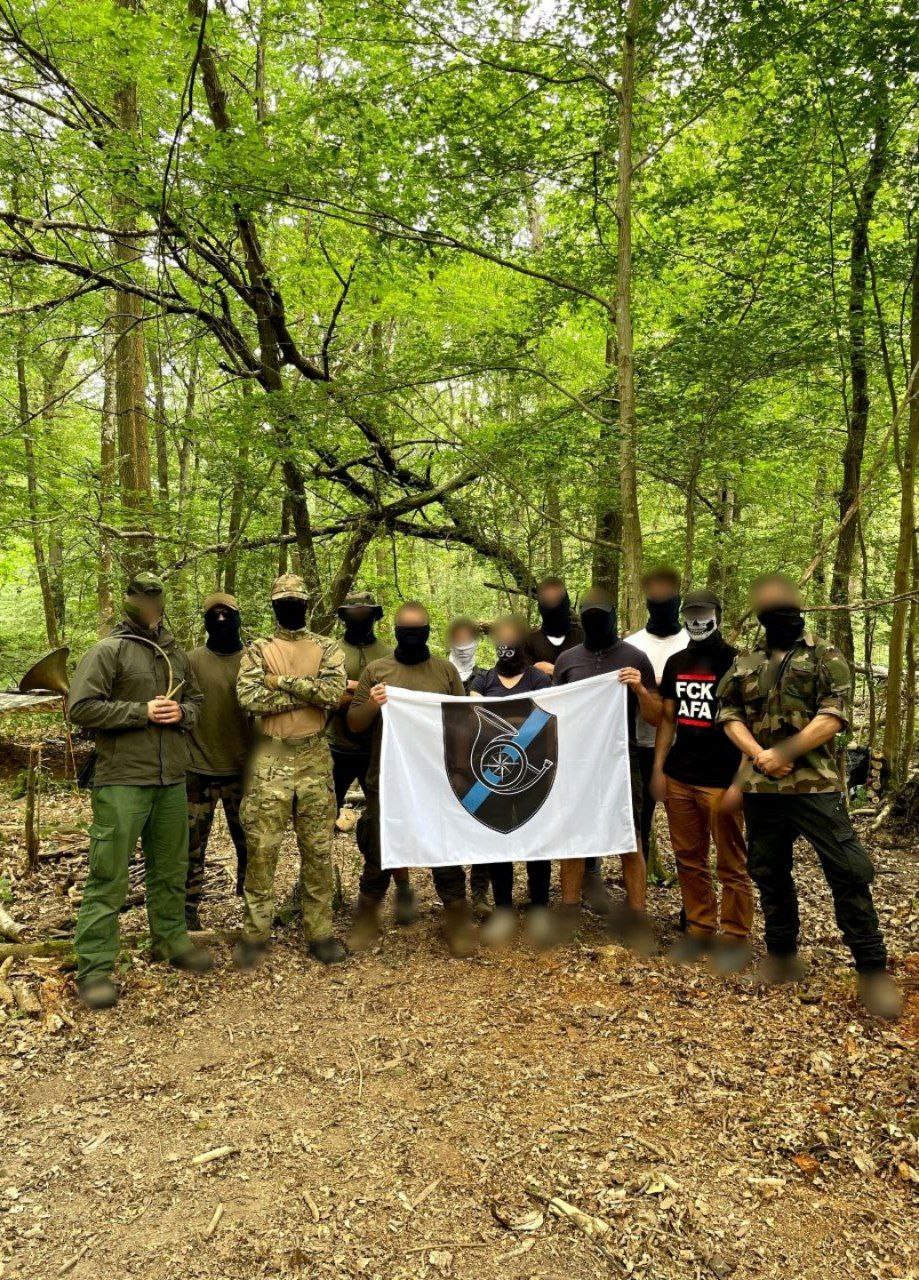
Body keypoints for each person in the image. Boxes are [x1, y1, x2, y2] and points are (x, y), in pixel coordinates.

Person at [717, 575, 901, 1020]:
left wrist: (784, 752)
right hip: (762, 789)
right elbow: (728, 712)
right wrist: (760, 755)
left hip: (815, 787)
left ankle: (872, 972)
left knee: (848, 870)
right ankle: (782, 957)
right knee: (768, 871)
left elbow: (834, 715)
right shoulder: (746, 661)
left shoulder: (825, 654)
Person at [68, 572, 213, 1009]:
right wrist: (142, 711)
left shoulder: (174, 652)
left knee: (170, 869)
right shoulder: (107, 651)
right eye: (141, 596)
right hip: (122, 780)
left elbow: (198, 702)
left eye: (155, 596)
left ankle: (170, 941)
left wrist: (181, 712)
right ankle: (94, 968)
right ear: (128, 601)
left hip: (172, 779)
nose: (149, 604)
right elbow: (81, 708)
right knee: (108, 876)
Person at [346, 600, 476, 957]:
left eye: (419, 630)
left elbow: (462, 724)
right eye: (406, 631)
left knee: (444, 848)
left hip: (436, 778)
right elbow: (355, 724)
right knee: (379, 848)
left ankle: (456, 921)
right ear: (396, 633)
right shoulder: (377, 671)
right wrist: (373, 702)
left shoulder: (445, 672)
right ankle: (367, 919)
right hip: (386, 778)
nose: (412, 636)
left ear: (428, 632)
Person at [233, 573, 348, 968]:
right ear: (275, 607)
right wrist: (305, 693)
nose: (291, 607)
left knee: (317, 849)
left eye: (297, 601)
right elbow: (249, 697)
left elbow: (333, 694)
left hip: (315, 757)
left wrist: (279, 681)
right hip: (270, 759)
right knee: (262, 850)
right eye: (284, 602)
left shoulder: (327, 647)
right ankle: (254, 935)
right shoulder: (258, 649)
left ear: (307, 605)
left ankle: (320, 934)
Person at [651, 588, 753, 971]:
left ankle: (735, 936)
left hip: (721, 778)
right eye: (690, 612)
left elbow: (750, 725)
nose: (697, 619)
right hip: (680, 775)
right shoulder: (677, 663)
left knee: (731, 863)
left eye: (704, 611)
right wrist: (660, 768)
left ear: (718, 615)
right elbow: (667, 718)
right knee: (688, 858)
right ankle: (699, 928)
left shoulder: (738, 664)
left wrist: (740, 782)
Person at [552, 586, 661, 945]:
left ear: (613, 617)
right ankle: (569, 910)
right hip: (576, 761)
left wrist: (641, 690)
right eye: (589, 618)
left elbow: (656, 717)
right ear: (581, 620)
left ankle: (636, 915)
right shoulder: (568, 660)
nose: (596, 622)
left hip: (621, 760)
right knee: (573, 836)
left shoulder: (635, 657)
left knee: (630, 836)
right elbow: (553, 711)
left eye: (601, 617)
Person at [326, 591, 416, 926]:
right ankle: (318, 890)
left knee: (391, 821)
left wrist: (355, 692)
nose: (359, 616)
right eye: (354, 611)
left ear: (376, 615)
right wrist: (354, 692)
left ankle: (403, 889)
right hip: (337, 745)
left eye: (365, 611)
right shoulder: (331, 651)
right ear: (344, 615)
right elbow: (323, 694)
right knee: (321, 819)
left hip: (381, 749)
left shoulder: (389, 653)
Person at [468, 615, 553, 944]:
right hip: (494, 775)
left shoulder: (538, 680)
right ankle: (503, 907)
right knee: (499, 837)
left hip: (531, 775)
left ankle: (539, 907)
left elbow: (547, 718)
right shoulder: (483, 680)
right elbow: (472, 714)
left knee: (535, 838)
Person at [184, 592, 252, 931]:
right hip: (198, 771)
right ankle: (187, 914)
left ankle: (254, 912)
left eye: (228, 613)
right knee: (190, 849)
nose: (221, 619)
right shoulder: (191, 660)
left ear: (239, 616)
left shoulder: (256, 659)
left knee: (252, 848)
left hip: (246, 771)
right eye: (214, 614)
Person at [624, 566, 688, 861]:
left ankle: (693, 897)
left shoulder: (692, 641)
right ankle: (638, 896)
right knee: (639, 822)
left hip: (685, 746)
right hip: (639, 745)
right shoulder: (631, 645)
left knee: (686, 825)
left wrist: (655, 683)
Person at [446, 616, 491, 917]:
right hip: (445, 763)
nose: (463, 644)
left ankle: (479, 893)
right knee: (447, 825)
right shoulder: (439, 673)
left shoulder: (486, 676)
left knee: (483, 826)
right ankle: (453, 894)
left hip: (480, 764)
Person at [524, 577, 584, 675]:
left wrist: (554, 670)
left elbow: (595, 673)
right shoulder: (528, 642)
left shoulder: (584, 639)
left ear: (565, 601)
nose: (553, 604)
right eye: (548, 599)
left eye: (557, 599)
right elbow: (520, 681)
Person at [447, 616, 486, 692]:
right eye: (459, 639)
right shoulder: (439, 676)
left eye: (468, 639)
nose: (463, 645)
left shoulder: (487, 678)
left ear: (475, 643)